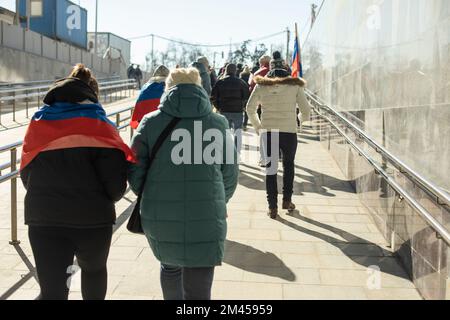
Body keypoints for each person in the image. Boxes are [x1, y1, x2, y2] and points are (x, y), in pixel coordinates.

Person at [20, 64, 134, 300]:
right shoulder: (102, 127)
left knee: (53, 292)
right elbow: (115, 189)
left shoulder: (39, 123)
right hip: (93, 222)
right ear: (93, 95)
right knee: (93, 273)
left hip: (44, 220)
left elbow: (25, 174)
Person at [128, 68, 239, 300]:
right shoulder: (217, 123)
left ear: (168, 88)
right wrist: (219, 199)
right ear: (199, 88)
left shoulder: (151, 122)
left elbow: (134, 169)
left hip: (161, 213)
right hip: (207, 214)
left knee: (169, 268)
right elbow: (230, 173)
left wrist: (150, 195)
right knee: (200, 280)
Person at [246, 68, 312, 220]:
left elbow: (250, 108)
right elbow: (306, 110)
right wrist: (298, 122)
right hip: (289, 132)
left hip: (268, 132)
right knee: (289, 165)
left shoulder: (261, 86)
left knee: (271, 170)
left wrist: (258, 127)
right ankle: (287, 200)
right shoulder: (295, 86)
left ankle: (272, 207)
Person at [211, 63, 250, 155]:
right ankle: (236, 153)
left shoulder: (220, 82)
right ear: (235, 70)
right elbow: (246, 96)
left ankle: (225, 152)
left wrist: (218, 107)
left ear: (226, 71)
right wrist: (242, 106)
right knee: (238, 133)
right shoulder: (241, 82)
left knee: (224, 133)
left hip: (224, 110)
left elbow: (213, 97)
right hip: (238, 111)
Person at [130, 65, 170, 129]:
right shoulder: (171, 88)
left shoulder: (145, 87)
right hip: (165, 126)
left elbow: (138, 118)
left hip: (145, 126)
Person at [240, 66, 252, 130]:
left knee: (241, 109)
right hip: (248, 93)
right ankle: (245, 124)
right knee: (247, 110)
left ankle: (241, 123)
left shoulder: (241, 75)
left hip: (242, 93)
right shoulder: (250, 75)